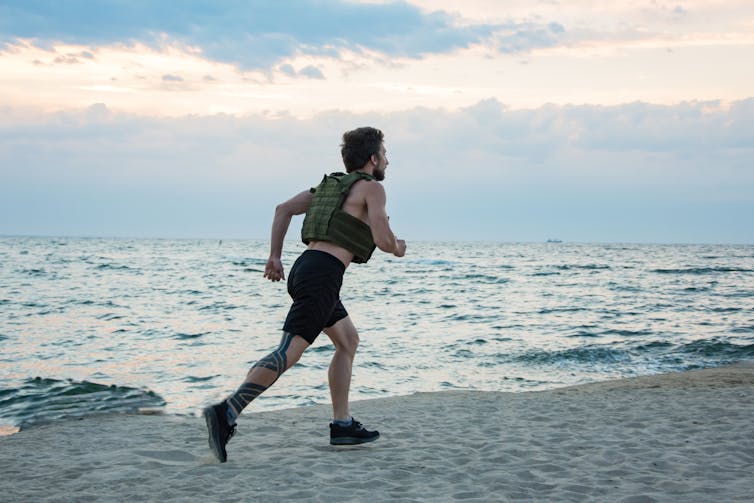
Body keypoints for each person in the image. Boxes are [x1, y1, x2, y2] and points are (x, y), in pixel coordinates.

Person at [203, 126, 407, 463]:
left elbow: (283, 209)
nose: (387, 159)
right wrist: (399, 247)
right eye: (384, 154)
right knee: (288, 351)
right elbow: (385, 243)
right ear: (373, 158)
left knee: (347, 341)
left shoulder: (329, 188)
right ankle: (226, 412)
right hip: (322, 276)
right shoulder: (372, 188)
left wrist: (274, 256)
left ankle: (342, 425)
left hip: (305, 269)